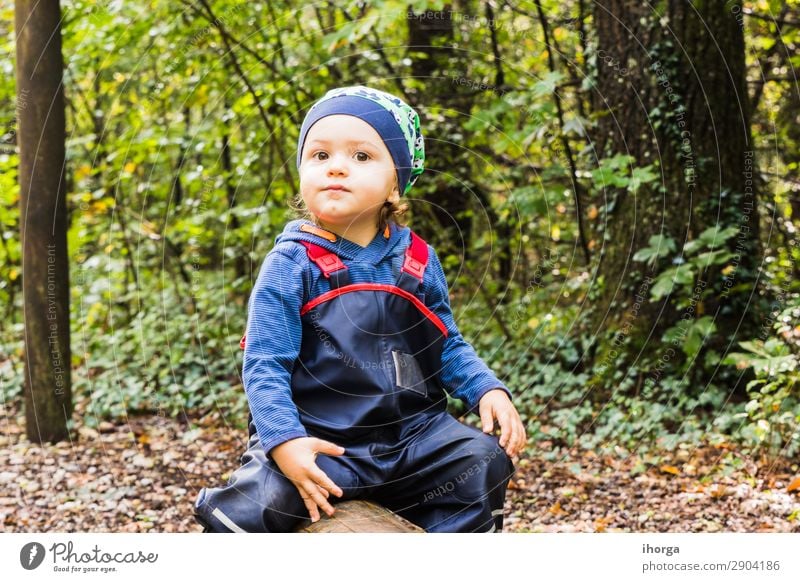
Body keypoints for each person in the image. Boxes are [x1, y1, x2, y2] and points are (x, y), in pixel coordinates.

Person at [193, 85, 526, 533]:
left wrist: (488, 389)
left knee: (481, 460)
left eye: (361, 157)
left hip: (412, 442)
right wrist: (286, 443)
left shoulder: (418, 261)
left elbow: (445, 345)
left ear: (395, 182)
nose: (336, 167)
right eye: (320, 155)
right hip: (323, 444)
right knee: (263, 502)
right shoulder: (292, 264)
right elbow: (265, 366)